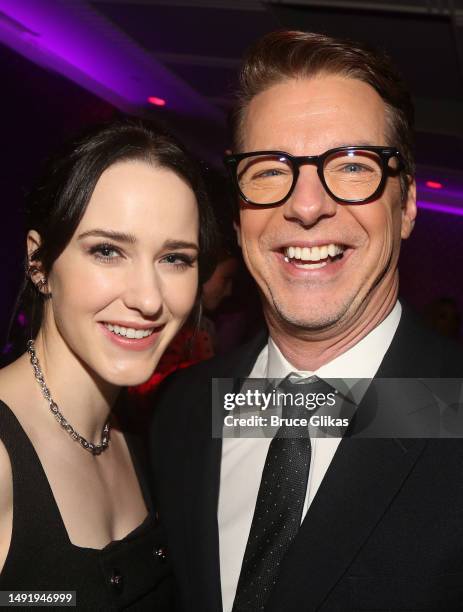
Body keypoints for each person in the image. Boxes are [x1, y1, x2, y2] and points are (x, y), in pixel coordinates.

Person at [150, 31, 463, 612]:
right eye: (269, 170)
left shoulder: (451, 407)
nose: (307, 204)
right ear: (239, 210)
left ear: (408, 205)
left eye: (351, 166)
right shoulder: (186, 410)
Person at [0, 119, 216, 609]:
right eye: (107, 251)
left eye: (175, 259)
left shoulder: (145, 434)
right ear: (39, 264)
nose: (147, 298)